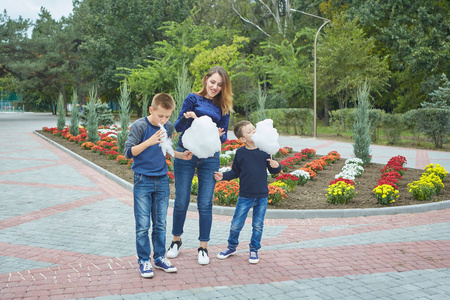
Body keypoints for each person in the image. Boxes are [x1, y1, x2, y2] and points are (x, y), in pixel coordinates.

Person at [167, 66, 233, 265]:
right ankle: (175, 241)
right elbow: (177, 128)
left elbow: (224, 138)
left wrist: (220, 135)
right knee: (181, 200)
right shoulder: (192, 99)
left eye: (220, 85)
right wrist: (187, 119)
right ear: (206, 80)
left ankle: (203, 247)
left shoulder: (224, 107)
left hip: (210, 157)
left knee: (205, 203)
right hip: (186, 153)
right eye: (212, 82)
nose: (215, 87)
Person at [124, 93, 193, 278]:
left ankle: (160, 258)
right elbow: (128, 152)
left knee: (160, 224)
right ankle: (144, 260)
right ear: (151, 110)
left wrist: (180, 155)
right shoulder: (140, 126)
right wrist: (148, 142)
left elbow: (166, 149)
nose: (163, 120)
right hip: (142, 180)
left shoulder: (168, 126)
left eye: (167, 116)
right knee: (143, 225)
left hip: (162, 180)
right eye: (160, 115)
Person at [213, 120, 281, 264]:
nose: (254, 132)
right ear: (243, 139)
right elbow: (235, 172)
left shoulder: (265, 150)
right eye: (249, 132)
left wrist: (277, 166)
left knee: (257, 224)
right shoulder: (241, 153)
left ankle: (254, 249)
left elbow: (274, 170)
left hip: (262, 195)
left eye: (253, 129)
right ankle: (231, 247)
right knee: (236, 223)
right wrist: (223, 176)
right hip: (245, 195)